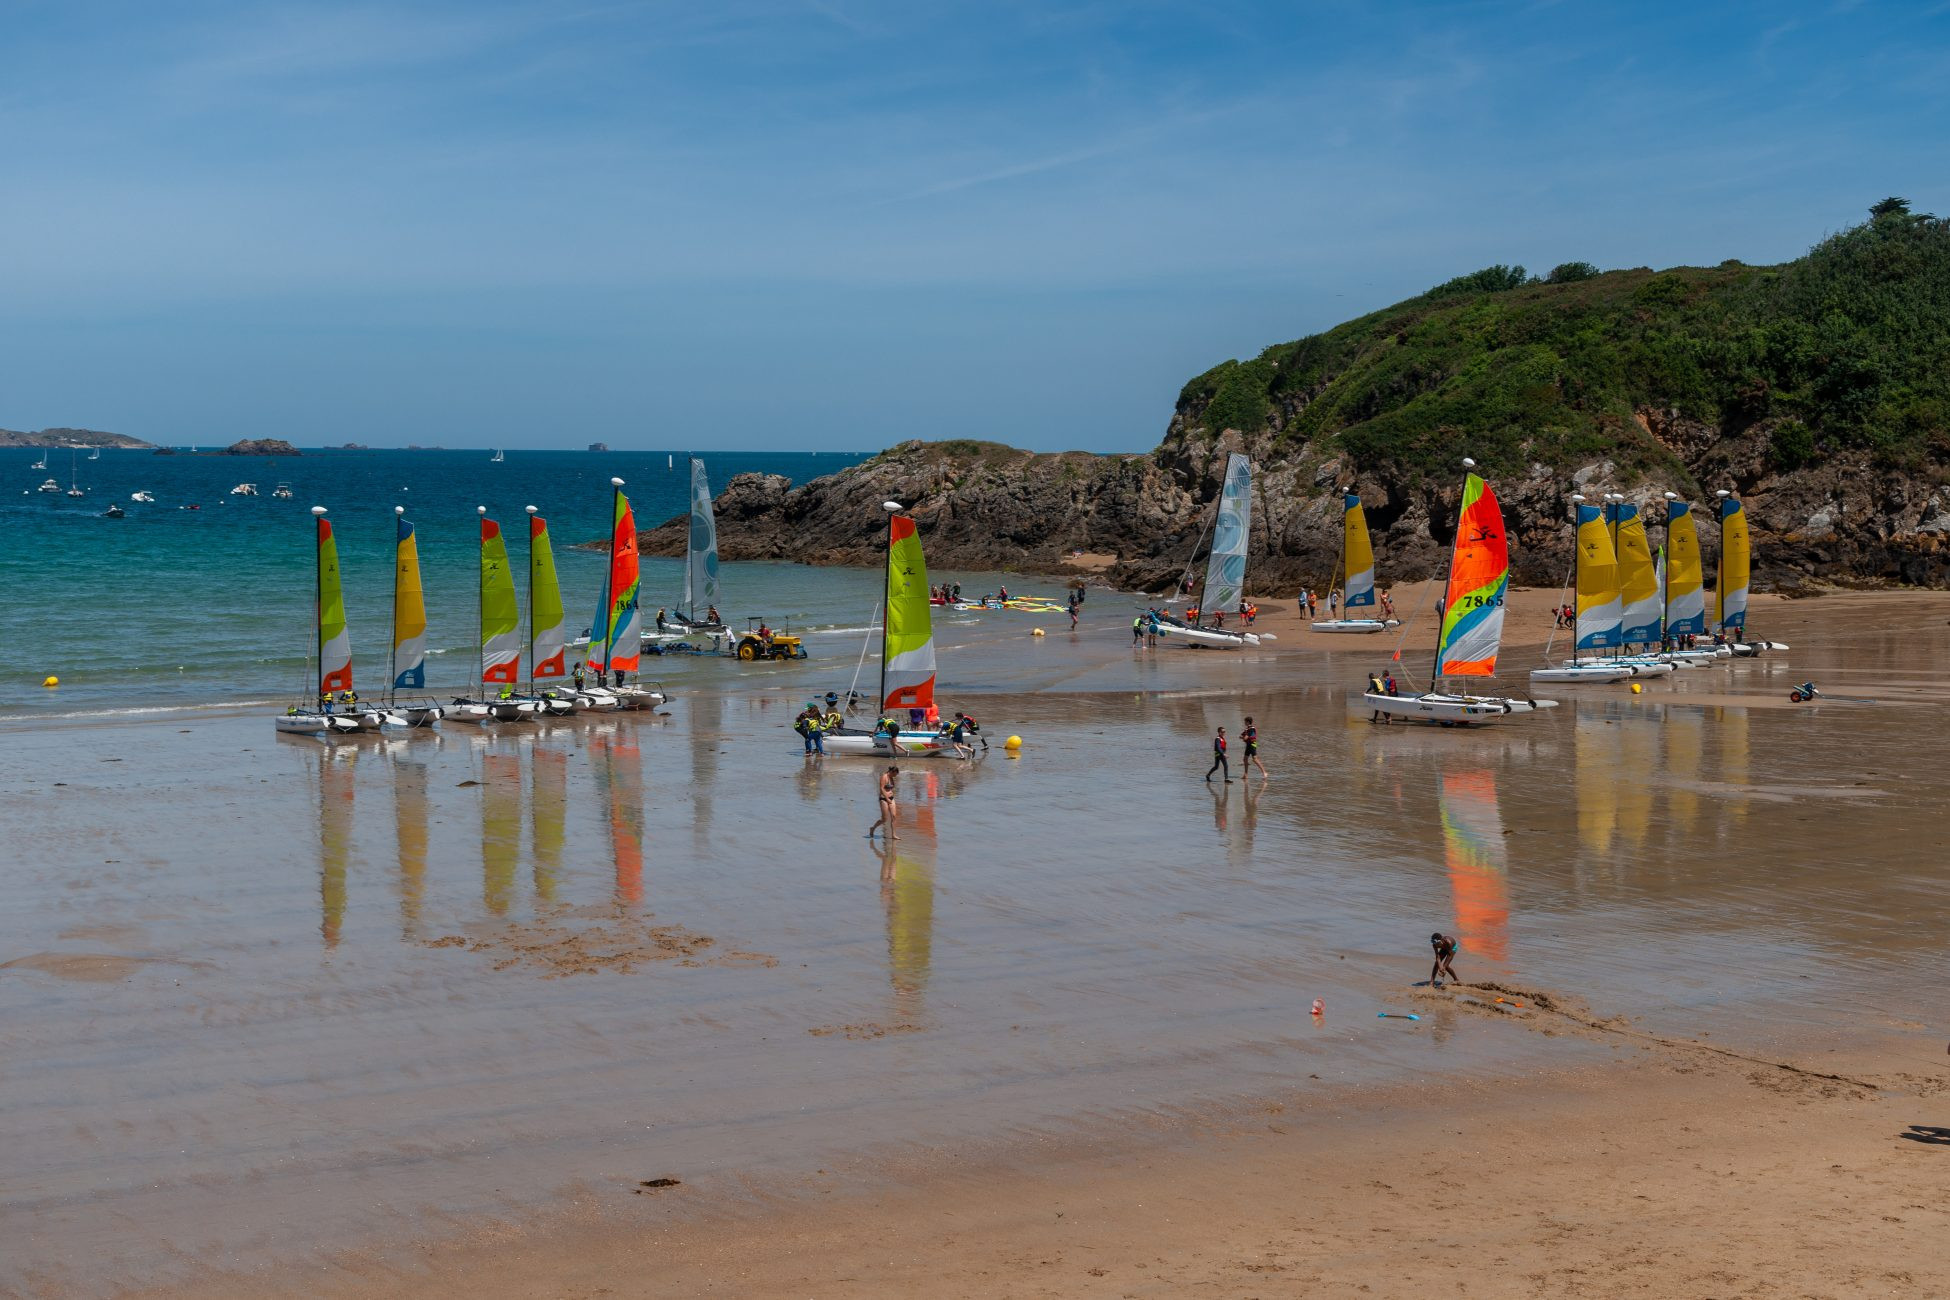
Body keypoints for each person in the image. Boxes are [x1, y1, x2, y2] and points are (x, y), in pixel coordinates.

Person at [868, 766, 900, 840]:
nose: (895, 776)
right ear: (891, 772)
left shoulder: (891, 778)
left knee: (894, 816)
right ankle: (873, 828)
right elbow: (882, 788)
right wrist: (887, 798)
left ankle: (893, 835)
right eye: (895, 774)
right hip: (883, 799)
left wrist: (890, 795)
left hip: (891, 798)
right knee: (884, 819)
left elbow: (891, 788)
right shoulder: (884, 777)